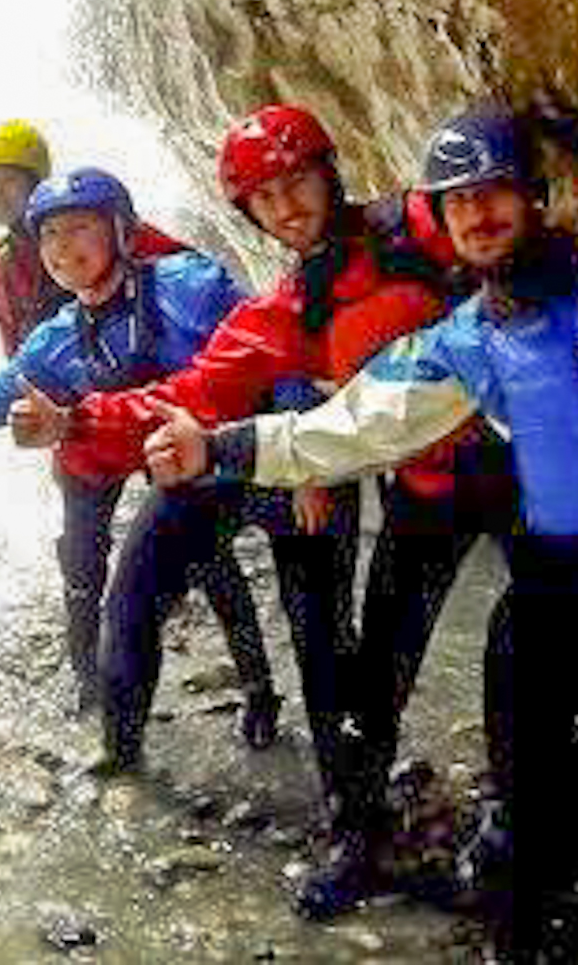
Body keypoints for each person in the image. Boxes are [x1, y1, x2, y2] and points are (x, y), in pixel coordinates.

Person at [145, 107, 578, 953]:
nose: (477, 217)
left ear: (536, 196)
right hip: (553, 580)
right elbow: (352, 424)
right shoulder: (467, 339)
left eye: (494, 194)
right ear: (439, 223)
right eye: (458, 203)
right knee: (526, 759)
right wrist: (215, 446)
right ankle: (537, 915)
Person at [28, 103, 516, 918]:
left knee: (529, 645)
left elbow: (508, 231)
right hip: (425, 491)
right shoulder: (292, 306)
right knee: (369, 678)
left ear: (328, 174)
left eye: (296, 182)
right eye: (264, 196)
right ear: (248, 212)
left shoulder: (421, 224)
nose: (286, 207)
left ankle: (515, 832)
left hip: (523, 468)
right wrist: (79, 420)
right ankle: (358, 835)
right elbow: (195, 391)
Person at [0, 165, 297, 763]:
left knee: (239, 579)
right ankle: (112, 731)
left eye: (79, 229)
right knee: (109, 585)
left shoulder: (190, 285)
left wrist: (301, 459)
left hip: (226, 452)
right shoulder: (56, 339)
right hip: (136, 459)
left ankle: (262, 692)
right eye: (51, 236)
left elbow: (276, 353)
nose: (62, 249)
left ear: (119, 231)